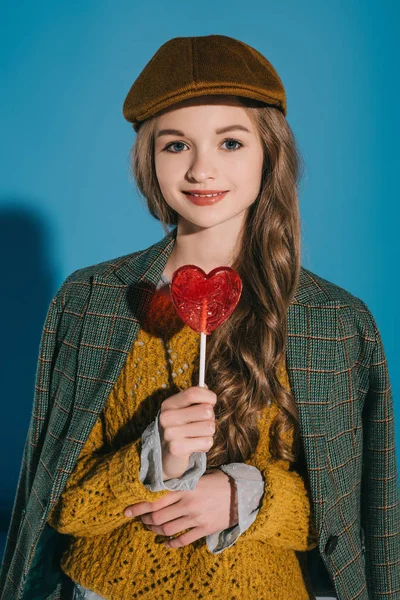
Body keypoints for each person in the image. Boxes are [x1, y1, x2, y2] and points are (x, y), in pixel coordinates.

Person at [0, 34, 399, 600]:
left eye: (231, 142)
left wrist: (246, 495)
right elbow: (60, 511)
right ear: (150, 159)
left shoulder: (336, 323)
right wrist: (151, 458)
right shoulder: (90, 301)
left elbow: (357, 523)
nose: (201, 169)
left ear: (270, 152)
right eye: (176, 145)